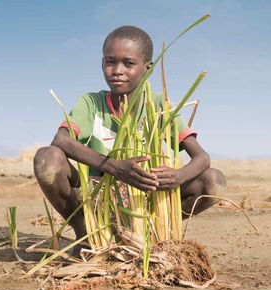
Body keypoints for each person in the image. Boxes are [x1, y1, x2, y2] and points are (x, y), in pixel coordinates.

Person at [34, 26, 226, 250]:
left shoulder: (158, 107)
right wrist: (113, 167)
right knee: (47, 159)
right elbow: (61, 140)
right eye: (109, 62)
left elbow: (202, 157)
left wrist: (178, 176)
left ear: (147, 68)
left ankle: (150, 229)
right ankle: (84, 230)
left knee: (214, 181)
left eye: (128, 63)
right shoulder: (91, 103)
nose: (117, 70)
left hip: (144, 197)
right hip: (98, 195)